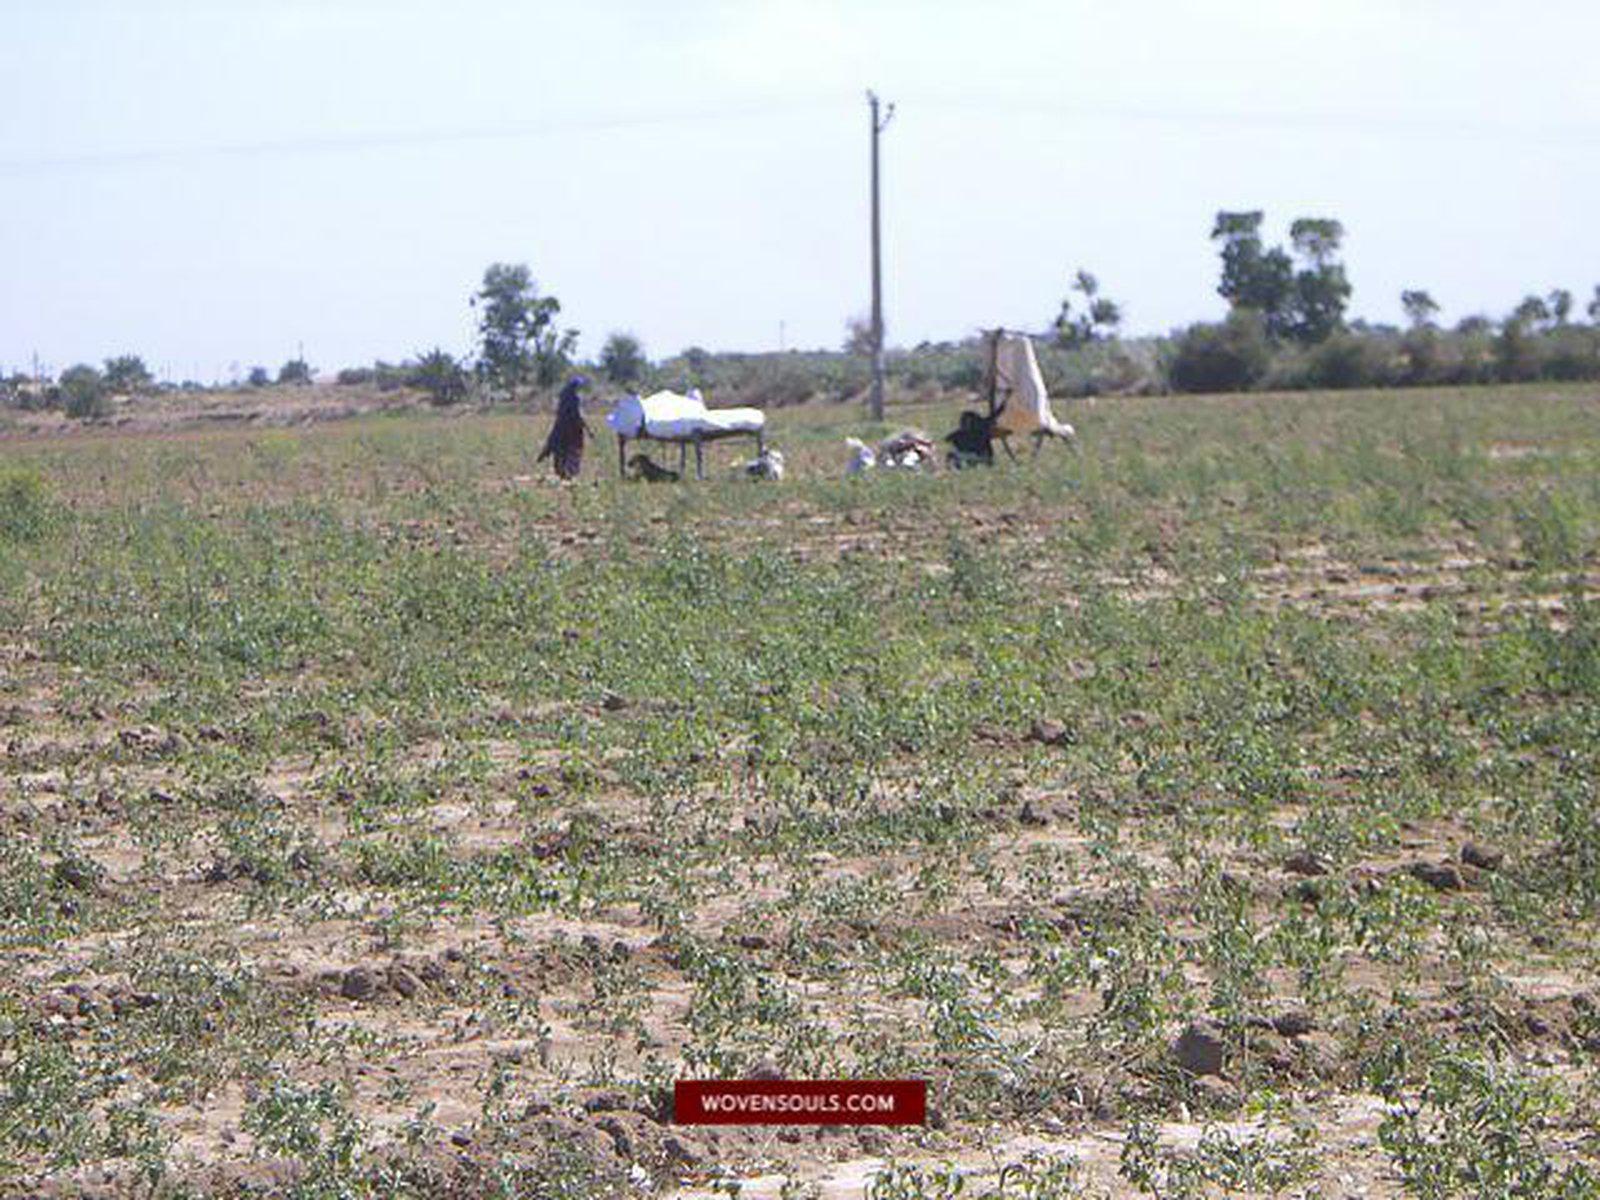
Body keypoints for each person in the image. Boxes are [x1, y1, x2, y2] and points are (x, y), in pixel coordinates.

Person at [537, 375, 591, 479]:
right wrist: (588, 430)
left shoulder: (563, 398)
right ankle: (569, 472)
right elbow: (579, 416)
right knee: (573, 450)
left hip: (560, 427)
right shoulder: (575, 398)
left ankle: (561, 471)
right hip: (573, 429)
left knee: (559, 448)